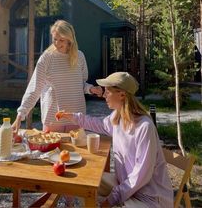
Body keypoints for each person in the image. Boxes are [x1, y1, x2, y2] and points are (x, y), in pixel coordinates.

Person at [57, 72, 174, 208]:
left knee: (102, 197)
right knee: (85, 183)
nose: (104, 95)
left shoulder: (144, 127)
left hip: (150, 198)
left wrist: (111, 199)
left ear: (122, 95)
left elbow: (140, 176)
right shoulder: (117, 118)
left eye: (107, 91)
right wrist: (73, 117)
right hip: (125, 185)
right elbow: (99, 124)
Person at [12, 19, 102, 133]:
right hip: (53, 118)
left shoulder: (80, 57)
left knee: (76, 151)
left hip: (76, 117)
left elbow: (80, 84)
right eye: (55, 39)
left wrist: (91, 89)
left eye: (62, 40)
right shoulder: (47, 58)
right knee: (52, 150)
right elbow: (34, 88)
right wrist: (20, 115)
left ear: (70, 40)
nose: (57, 43)